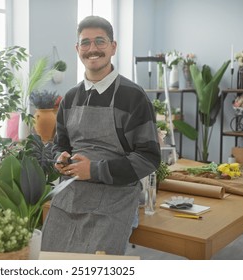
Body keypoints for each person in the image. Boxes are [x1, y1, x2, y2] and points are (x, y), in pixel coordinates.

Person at [41, 15, 161, 255]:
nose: (92, 49)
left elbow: (149, 158)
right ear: (77, 49)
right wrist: (58, 158)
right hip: (70, 197)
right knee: (51, 262)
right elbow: (58, 144)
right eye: (85, 43)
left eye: (100, 41)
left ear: (113, 47)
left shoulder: (133, 96)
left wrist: (94, 170)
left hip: (113, 200)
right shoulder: (70, 98)